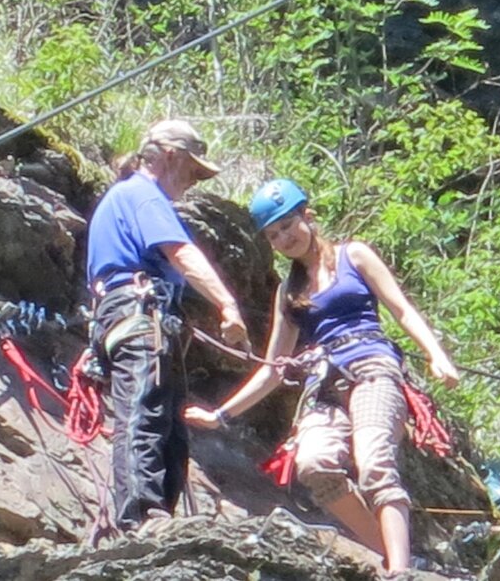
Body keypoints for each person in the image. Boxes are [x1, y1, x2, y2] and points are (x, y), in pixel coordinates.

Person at [185, 178, 459, 574]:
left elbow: (401, 309)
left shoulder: (354, 256)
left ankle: (399, 573)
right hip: (325, 385)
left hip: (371, 368)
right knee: (313, 464)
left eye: (288, 225)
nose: (284, 238)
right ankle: (396, 558)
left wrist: (436, 354)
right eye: (274, 234)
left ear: (307, 216)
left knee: (373, 463)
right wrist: (221, 414)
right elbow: (273, 369)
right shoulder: (289, 292)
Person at [86, 118, 250, 533]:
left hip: (138, 315)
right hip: (138, 314)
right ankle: (142, 516)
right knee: (144, 412)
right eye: (193, 170)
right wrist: (227, 304)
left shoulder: (125, 198)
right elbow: (182, 254)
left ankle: (159, 519)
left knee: (170, 431)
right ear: (170, 156)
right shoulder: (143, 195)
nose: (194, 181)